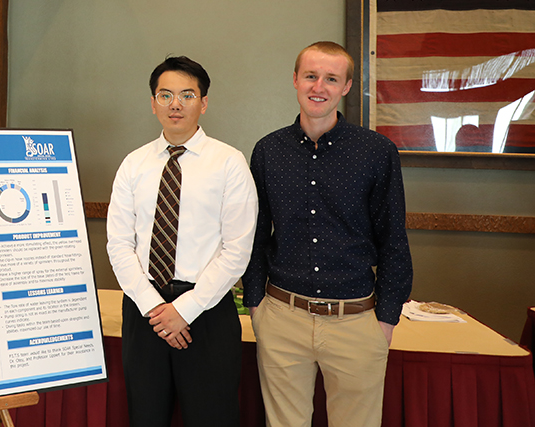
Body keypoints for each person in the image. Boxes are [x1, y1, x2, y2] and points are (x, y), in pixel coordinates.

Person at [241, 41, 413, 427]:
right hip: (281, 317)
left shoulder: (377, 151)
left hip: (356, 320)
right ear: (295, 80)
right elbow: (254, 233)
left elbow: (393, 239)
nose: (319, 86)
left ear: (347, 86)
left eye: (331, 78)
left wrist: (386, 318)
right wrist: (256, 304)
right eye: (311, 76)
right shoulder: (268, 151)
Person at [107, 56, 258, 427]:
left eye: (187, 95)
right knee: (146, 417)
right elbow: (118, 244)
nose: (175, 104)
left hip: (206, 313)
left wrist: (184, 310)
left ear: (203, 103)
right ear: (153, 102)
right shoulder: (134, 164)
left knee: (212, 417)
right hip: (145, 312)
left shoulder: (229, 163)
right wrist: (155, 309)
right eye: (166, 95)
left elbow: (237, 249)